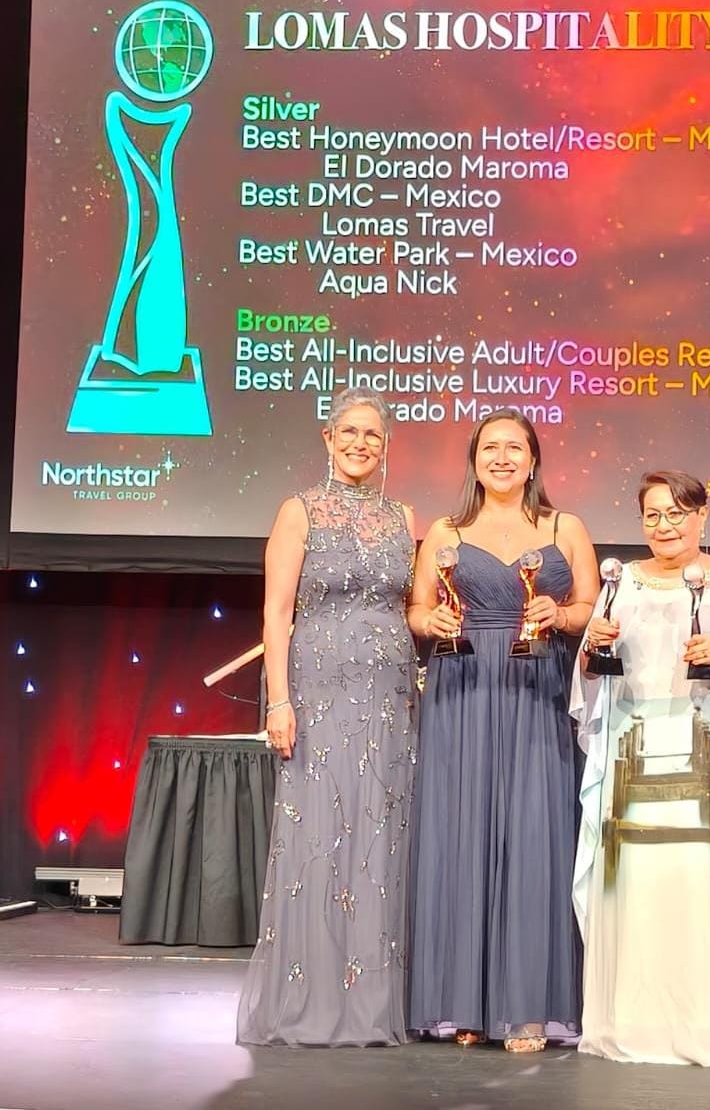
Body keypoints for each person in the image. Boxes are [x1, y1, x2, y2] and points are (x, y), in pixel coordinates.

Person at [570, 471, 710, 1065]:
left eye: (676, 513)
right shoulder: (620, 581)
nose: (664, 526)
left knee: (699, 881)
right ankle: (632, 1023)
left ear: (702, 516)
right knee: (636, 882)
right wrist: (594, 647)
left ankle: (705, 1023)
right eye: (653, 515)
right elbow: (588, 675)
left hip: (706, 741)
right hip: (632, 742)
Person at [407, 409, 599, 1052]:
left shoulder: (565, 527)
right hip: (462, 687)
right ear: (474, 460)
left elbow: (592, 609)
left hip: (536, 685)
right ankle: (465, 1002)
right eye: (490, 447)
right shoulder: (446, 531)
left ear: (533, 458)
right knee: (462, 831)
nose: (502, 457)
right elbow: (418, 608)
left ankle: (527, 1006)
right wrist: (429, 623)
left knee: (534, 834)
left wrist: (560, 614)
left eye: (514, 447)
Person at [237, 387, 417, 1047]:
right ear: (328, 437)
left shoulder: (404, 516)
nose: (361, 444)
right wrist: (279, 700)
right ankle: (309, 999)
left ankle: (374, 999)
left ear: (386, 444)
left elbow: (410, 605)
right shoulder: (300, 510)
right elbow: (276, 613)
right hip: (319, 691)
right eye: (350, 432)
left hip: (390, 694)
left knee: (381, 836)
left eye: (373, 434)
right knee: (319, 832)